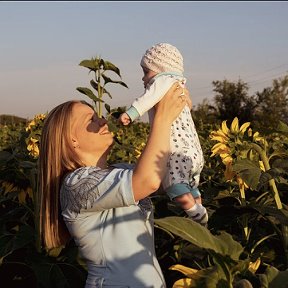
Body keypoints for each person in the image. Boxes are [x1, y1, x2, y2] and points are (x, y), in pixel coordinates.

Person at [38, 83, 190, 288]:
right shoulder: (77, 184)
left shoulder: (120, 170)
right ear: (72, 140)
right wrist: (162, 117)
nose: (102, 120)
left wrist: (176, 113)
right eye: (91, 119)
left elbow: (169, 180)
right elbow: (148, 181)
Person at [119, 43, 208, 225]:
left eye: (146, 72)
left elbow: (148, 99)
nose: (143, 79)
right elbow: (188, 107)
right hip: (193, 151)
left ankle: (198, 216)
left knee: (175, 186)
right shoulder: (180, 87)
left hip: (176, 150)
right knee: (191, 186)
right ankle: (200, 210)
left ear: (161, 69)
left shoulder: (162, 81)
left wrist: (132, 113)